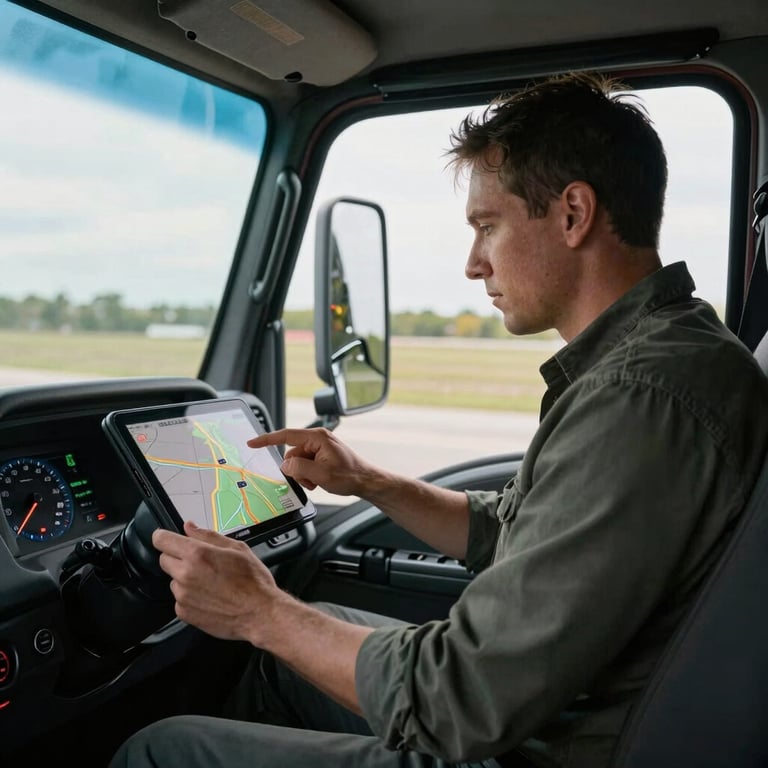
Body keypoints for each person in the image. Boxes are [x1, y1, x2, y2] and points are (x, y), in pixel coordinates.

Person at [109, 72, 768, 768]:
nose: (472, 263)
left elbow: (463, 700)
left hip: (543, 746)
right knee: (283, 661)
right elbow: (509, 530)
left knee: (161, 749)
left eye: (488, 226)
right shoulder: (665, 358)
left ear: (573, 214)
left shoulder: (644, 397)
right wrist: (367, 481)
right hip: (550, 713)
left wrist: (260, 610)